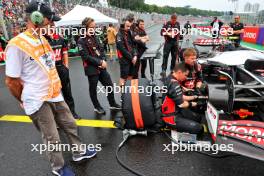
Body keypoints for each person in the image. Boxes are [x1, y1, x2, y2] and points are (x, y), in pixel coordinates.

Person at [5, 2, 96, 176]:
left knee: (70, 124)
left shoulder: (42, 39)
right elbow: (11, 81)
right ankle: (58, 167)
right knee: (52, 137)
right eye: (50, 21)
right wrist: (23, 99)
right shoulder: (16, 45)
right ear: (36, 19)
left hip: (54, 94)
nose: (52, 24)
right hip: (37, 99)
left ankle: (79, 152)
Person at [78, 17, 121, 115]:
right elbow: (85, 57)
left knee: (109, 85)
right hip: (91, 68)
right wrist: (100, 62)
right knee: (93, 89)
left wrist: (103, 60)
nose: (93, 29)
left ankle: (112, 103)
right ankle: (97, 107)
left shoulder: (95, 37)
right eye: (91, 27)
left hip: (101, 67)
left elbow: (101, 50)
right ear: (85, 27)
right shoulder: (81, 40)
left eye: (94, 27)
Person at [45, 17, 80, 119]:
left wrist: (66, 66)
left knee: (67, 91)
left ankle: (72, 112)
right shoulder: (42, 40)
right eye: (49, 25)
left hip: (61, 67)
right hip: (49, 70)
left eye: (53, 25)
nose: (51, 27)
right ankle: (55, 117)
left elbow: (64, 53)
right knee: (52, 95)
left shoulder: (60, 38)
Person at [161, 63, 204, 134]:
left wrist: (195, 97)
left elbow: (180, 97)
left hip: (177, 110)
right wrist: (195, 104)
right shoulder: (174, 84)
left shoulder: (171, 77)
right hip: (171, 117)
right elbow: (182, 104)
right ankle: (169, 126)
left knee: (198, 118)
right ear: (179, 72)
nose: (186, 78)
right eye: (186, 75)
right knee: (199, 128)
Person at [116, 18, 138, 86]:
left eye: (129, 26)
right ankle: (123, 94)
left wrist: (135, 55)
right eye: (127, 26)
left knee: (131, 75)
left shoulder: (129, 33)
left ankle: (128, 93)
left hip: (132, 58)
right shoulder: (119, 35)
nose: (129, 28)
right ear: (123, 25)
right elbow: (122, 49)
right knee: (123, 77)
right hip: (124, 59)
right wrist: (132, 58)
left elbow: (133, 45)